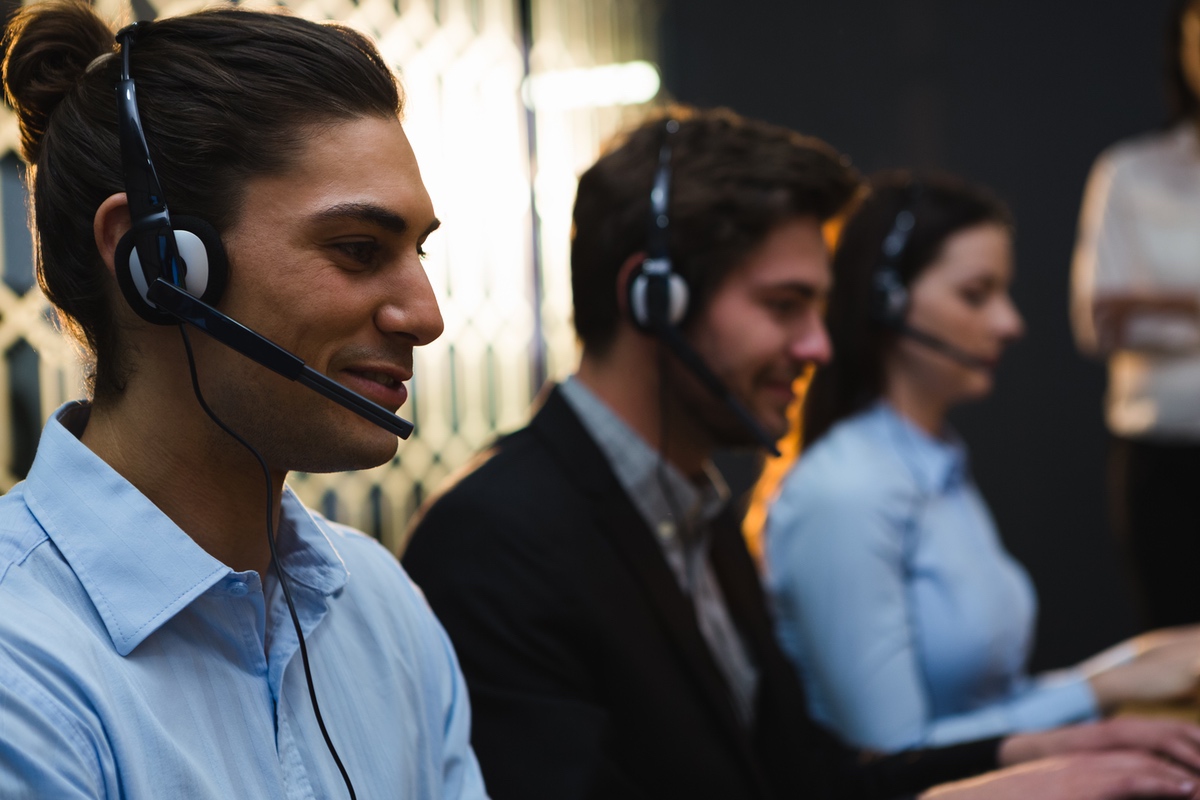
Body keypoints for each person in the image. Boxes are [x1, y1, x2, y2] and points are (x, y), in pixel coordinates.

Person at [403, 107, 1200, 800]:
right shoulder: (494, 538)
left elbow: (807, 782)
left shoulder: (694, 514)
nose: (818, 344)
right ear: (652, 298)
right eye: (784, 307)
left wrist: (1027, 753)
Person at [0, 3, 486, 798]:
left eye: (417, 252)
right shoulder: (21, 662)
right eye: (358, 249)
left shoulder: (384, 608)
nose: (426, 317)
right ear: (159, 263)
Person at [764, 171, 1200, 755]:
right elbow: (893, 759)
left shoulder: (931, 460)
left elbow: (989, 707)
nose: (1009, 323)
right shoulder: (849, 489)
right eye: (976, 294)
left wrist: (1141, 660)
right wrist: (1102, 690)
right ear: (887, 303)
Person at [1071, 0, 1200, 628]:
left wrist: (1157, 302)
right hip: (1157, 452)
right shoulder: (1130, 172)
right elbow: (1098, 319)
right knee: (1173, 644)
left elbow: (1128, 311)